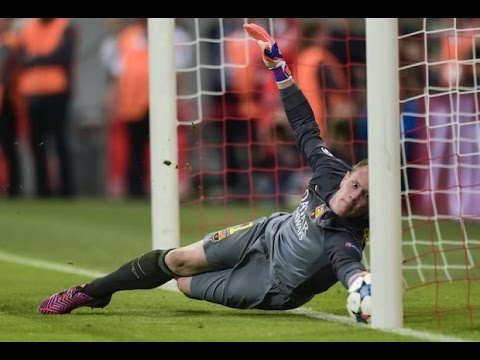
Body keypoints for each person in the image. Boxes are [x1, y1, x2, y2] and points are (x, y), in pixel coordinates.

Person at [38, 23, 371, 317]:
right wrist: (278, 68)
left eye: (366, 198)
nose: (355, 198)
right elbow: (304, 127)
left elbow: (348, 265)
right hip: (268, 233)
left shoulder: (344, 235)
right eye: (356, 185)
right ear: (346, 175)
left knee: (184, 284)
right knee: (178, 260)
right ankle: (91, 292)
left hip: (276, 282)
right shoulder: (329, 170)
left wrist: (360, 283)